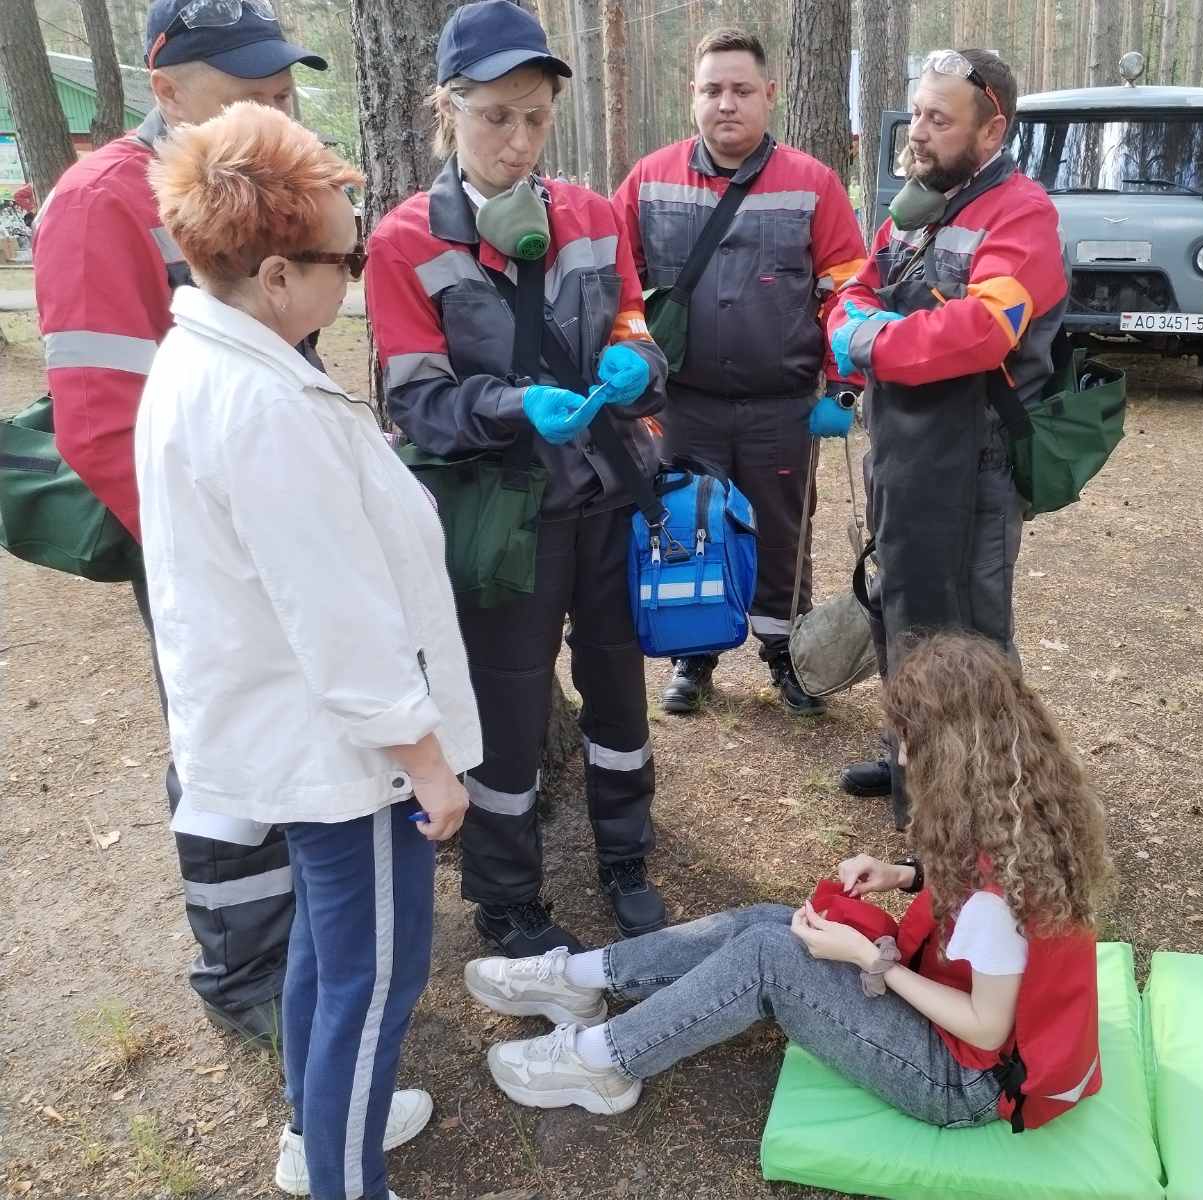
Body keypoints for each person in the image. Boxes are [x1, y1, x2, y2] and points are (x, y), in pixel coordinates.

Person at [138, 102, 479, 1200]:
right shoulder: (262, 405)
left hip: (299, 731)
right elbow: (338, 618)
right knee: (373, 981)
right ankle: (344, 1177)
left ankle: (315, 1133)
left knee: (328, 958)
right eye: (347, 258)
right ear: (278, 274)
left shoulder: (215, 358)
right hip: (347, 756)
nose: (358, 274)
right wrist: (423, 759)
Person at [463, 633, 1114, 1129]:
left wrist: (871, 961)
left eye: (911, 742)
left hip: (967, 1082)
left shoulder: (996, 899)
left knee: (770, 956)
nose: (902, 756)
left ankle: (600, 1061)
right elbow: (982, 895)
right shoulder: (1018, 803)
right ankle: (580, 980)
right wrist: (903, 873)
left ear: (953, 753)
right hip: (969, 1037)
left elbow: (986, 1028)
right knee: (768, 923)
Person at [30, 0, 329, 1045]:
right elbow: (101, 424)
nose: (275, 117)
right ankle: (244, 971)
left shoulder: (263, 183)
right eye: (249, 96)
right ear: (165, 89)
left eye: (284, 96)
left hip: (284, 533)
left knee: (293, 730)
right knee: (225, 747)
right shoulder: (100, 202)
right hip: (207, 551)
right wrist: (218, 559)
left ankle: (299, 935)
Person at [365, 0, 670, 958]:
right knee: (505, 707)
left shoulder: (592, 216)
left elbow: (635, 324)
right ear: (447, 109)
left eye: (536, 118)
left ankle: (627, 856)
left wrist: (638, 363)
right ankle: (505, 898)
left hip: (605, 496)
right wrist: (511, 405)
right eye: (497, 116)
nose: (519, 140)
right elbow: (417, 402)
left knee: (619, 688)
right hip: (502, 521)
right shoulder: (405, 242)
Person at [827, 50, 1068, 827]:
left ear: (991, 130)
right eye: (917, 114)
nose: (919, 132)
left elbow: (983, 331)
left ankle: (982, 817)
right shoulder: (919, 205)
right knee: (899, 612)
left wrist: (871, 339)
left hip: (973, 467)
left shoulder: (1020, 215)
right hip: (901, 454)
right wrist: (855, 324)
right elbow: (853, 291)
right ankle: (912, 759)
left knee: (968, 642)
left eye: (940, 119)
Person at [612, 27, 868, 717]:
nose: (727, 104)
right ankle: (693, 653)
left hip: (781, 406)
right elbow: (615, 280)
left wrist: (845, 386)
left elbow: (849, 291)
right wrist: (625, 359)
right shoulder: (649, 180)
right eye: (713, 90)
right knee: (686, 524)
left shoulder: (813, 184)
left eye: (742, 90)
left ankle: (787, 653)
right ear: (692, 96)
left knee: (782, 533)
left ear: (769, 95)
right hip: (682, 404)